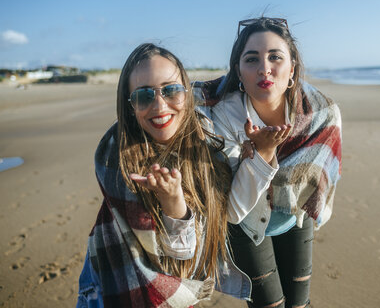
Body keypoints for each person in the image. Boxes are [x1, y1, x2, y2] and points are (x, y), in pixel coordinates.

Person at [77, 43, 277, 307]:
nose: (159, 105)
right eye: (143, 96)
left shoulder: (208, 141)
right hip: (114, 286)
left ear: (186, 93)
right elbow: (172, 264)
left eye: (170, 90)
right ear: (130, 107)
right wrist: (174, 203)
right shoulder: (117, 160)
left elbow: (231, 211)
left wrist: (263, 152)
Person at [208, 17, 342, 308]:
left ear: (292, 70)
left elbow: (318, 184)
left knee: (299, 304)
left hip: (295, 215)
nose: (264, 68)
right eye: (251, 58)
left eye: (275, 57)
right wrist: (264, 154)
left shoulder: (321, 114)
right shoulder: (223, 117)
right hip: (245, 226)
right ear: (238, 72)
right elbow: (232, 211)